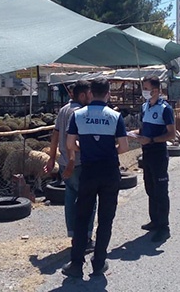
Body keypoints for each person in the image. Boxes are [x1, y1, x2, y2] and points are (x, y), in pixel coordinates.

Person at [62, 77, 128, 278]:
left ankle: (76, 263)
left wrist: (86, 148)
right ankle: (99, 263)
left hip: (88, 171)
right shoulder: (115, 117)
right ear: (108, 93)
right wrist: (107, 151)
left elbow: (70, 144)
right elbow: (124, 147)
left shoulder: (78, 115)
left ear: (91, 93)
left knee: (82, 217)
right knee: (106, 219)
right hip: (109, 172)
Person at [44, 81, 96, 252]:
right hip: (77, 164)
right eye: (89, 93)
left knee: (70, 200)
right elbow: (70, 141)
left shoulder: (64, 110)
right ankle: (85, 237)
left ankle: (74, 234)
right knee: (88, 200)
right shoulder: (80, 113)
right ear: (82, 95)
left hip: (64, 162)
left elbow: (55, 135)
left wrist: (51, 159)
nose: (92, 96)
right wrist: (73, 162)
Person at [135, 75, 175, 242]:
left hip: (158, 152)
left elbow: (171, 134)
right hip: (147, 153)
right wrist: (136, 135)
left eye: (146, 88)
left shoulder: (165, 108)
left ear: (156, 90)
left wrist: (152, 139)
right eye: (143, 88)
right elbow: (143, 129)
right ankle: (155, 220)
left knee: (160, 190)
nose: (144, 91)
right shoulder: (144, 107)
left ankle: (164, 226)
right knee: (150, 188)